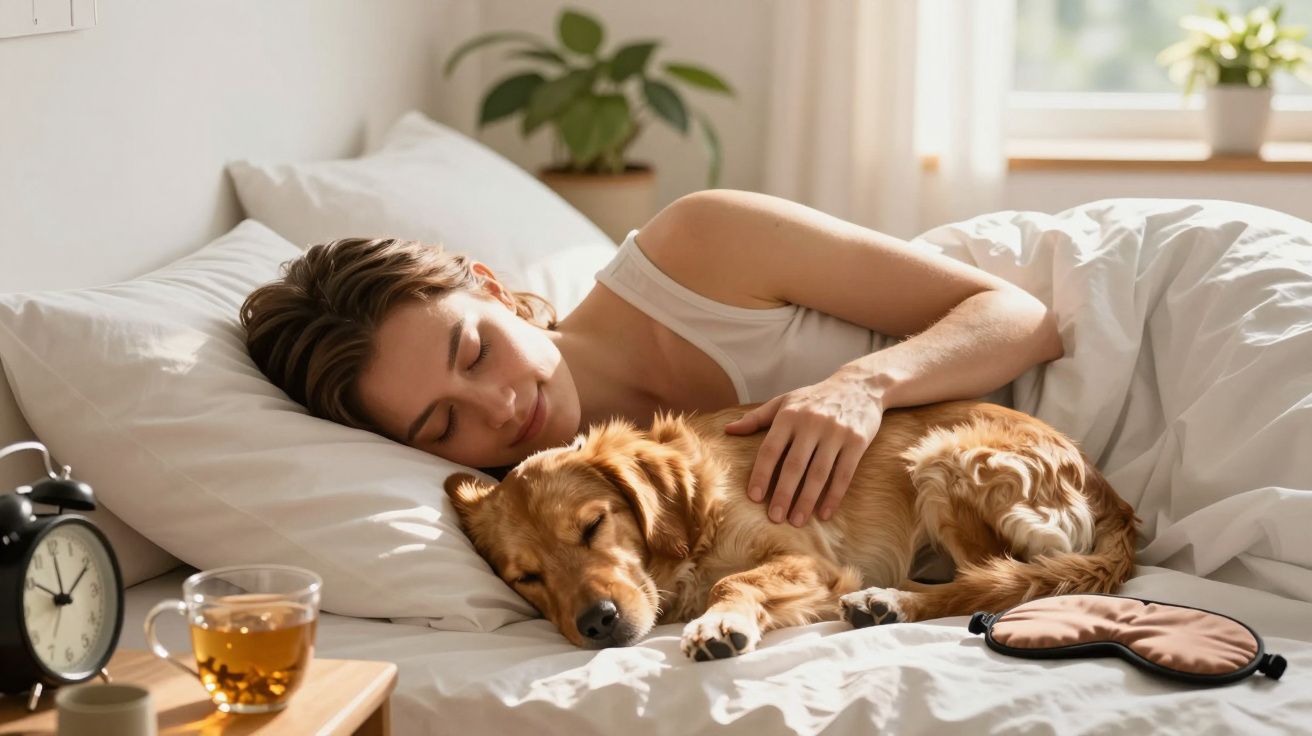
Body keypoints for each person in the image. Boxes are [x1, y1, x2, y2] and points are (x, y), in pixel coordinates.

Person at [240, 189, 1062, 527]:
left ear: (490, 288)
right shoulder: (574, 518)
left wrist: (863, 386)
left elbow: (1020, 317)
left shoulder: (698, 244)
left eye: (475, 352)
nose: (498, 408)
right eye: (442, 422)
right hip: (1022, 506)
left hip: (1110, 339)